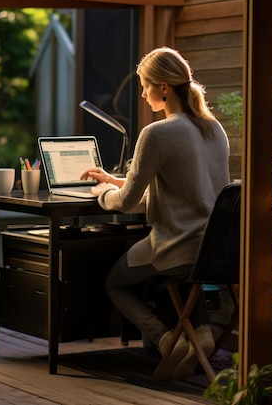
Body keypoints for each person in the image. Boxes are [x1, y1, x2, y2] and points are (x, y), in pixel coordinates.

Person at [80, 46, 230, 380]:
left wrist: (104, 193)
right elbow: (182, 186)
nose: (143, 93)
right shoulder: (213, 128)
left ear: (163, 86)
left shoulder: (157, 133)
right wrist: (116, 179)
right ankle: (201, 334)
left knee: (114, 283)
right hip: (212, 250)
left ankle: (167, 341)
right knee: (186, 274)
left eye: (146, 84)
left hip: (175, 245)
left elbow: (126, 202)